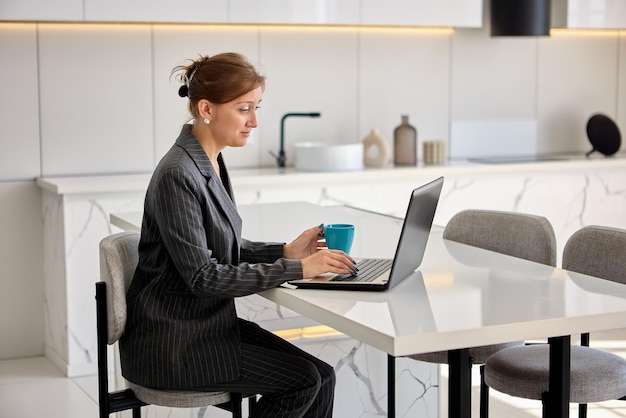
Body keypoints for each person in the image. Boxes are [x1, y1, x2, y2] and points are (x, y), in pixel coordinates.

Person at [119, 52, 356, 418]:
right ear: (206, 109)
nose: (255, 121)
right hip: (175, 343)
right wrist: (299, 270)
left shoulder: (209, 159)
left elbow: (219, 248)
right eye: (245, 109)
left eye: (257, 107)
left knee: (322, 375)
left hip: (204, 326)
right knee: (305, 380)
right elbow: (203, 276)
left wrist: (285, 252)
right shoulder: (177, 174)